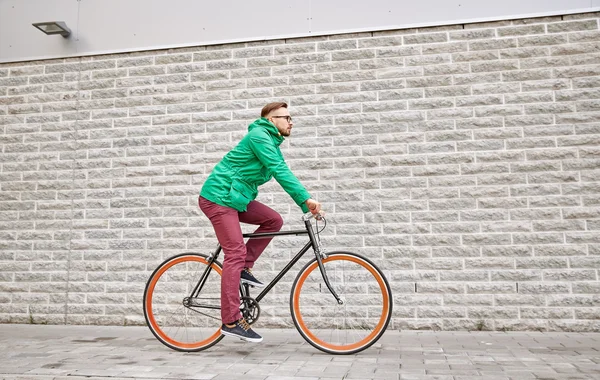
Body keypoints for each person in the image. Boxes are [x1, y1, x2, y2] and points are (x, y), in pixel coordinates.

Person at [198, 102, 322, 343]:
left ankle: (245, 267)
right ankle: (231, 321)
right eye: (285, 117)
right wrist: (305, 200)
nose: (290, 121)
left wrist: (303, 201)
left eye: (290, 117)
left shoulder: (271, 141)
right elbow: (279, 170)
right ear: (270, 119)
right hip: (218, 198)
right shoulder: (259, 136)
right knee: (234, 252)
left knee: (273, 220)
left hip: (234, 198)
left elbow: (277, 168)